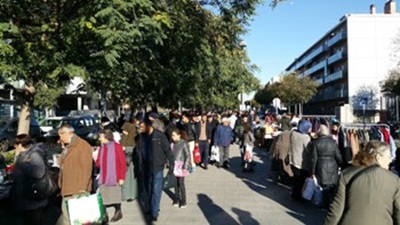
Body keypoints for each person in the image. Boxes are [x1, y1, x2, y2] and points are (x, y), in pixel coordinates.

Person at [324, 141, 400, 225]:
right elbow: (398, 212)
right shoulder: (394, 180)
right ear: (378, 157)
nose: (390, 160)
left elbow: (336, 210)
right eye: (389, 157)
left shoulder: (346, 175)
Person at [57, 124, 93, 225]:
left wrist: (82, 188)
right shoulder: (68, 146)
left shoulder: (82, 146)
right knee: (67, 218)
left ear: (67, 134)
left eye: (60, 135)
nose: (60, 138)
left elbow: (86, 168)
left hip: (77, 190)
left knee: (78, 220)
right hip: (67, 188)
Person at [141, 119, 175, 222]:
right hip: (146, 167)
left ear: (148, 126)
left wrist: (171, 164)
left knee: (156, 190)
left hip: (157, 167)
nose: (140, 128)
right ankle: (151, 207)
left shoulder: (159, 136)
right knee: (149, 189)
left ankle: (154, 212)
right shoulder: (143, 137)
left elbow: (168, 150)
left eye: (142, 126)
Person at [10, 134, 47, 225]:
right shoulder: (24, 155)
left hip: (33, 196)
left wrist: (23, 166)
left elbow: (39, 172)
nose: (15, 147)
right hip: (26, 196)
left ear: (20, 145)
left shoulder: (34, 155)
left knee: (34, 221)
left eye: (15, 145)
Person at [96, 130, 127, 222]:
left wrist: (122, 177)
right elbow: (98, 161)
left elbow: (122, 163)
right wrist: (97, 163)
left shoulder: (117, 147)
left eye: (100, 137)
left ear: (106, 137)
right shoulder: (101, 147)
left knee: (115, 195)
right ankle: (104, 213)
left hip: (115, 176)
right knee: (103, 195)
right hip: (103, 176)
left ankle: (118, 211)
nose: (99, 139)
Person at [311, 125, 342, 208]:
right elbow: (338, 155)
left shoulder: (316, 142)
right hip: (332, 165)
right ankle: (331, 202)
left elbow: (314, 158)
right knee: (332, 185)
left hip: (321, 166)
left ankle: (325, 203)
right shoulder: (333, 142)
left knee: (324, 186)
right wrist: (341, 164)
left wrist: (312, 171)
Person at [289, 120, 312, 202]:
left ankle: (294, 194)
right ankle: (298, 196)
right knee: (301, 180)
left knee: (296, 179)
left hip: (293, 159)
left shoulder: (293, 133)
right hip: (302, 161)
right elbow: (308, 149)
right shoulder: (305, 137)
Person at [120, 117, 139, 202]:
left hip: (127, 162)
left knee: (127, 178)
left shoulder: (126, 140)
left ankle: (128, 195)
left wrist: (125, 149)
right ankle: (132, 194)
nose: (123, 132)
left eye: (125, 130)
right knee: (131, 179)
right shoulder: (133, 139)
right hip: (131, 161)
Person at [171, 128, 191, 208]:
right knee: (175, 184)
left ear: (179, 135)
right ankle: (176, 199)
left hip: (181, 166)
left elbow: (187, 155)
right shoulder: (172, 144)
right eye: (172, 135)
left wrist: (185, 167)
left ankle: (183, 201)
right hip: (174, 166)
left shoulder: (183, 143)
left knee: (181, 183)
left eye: (174, 135)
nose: (172, 137)